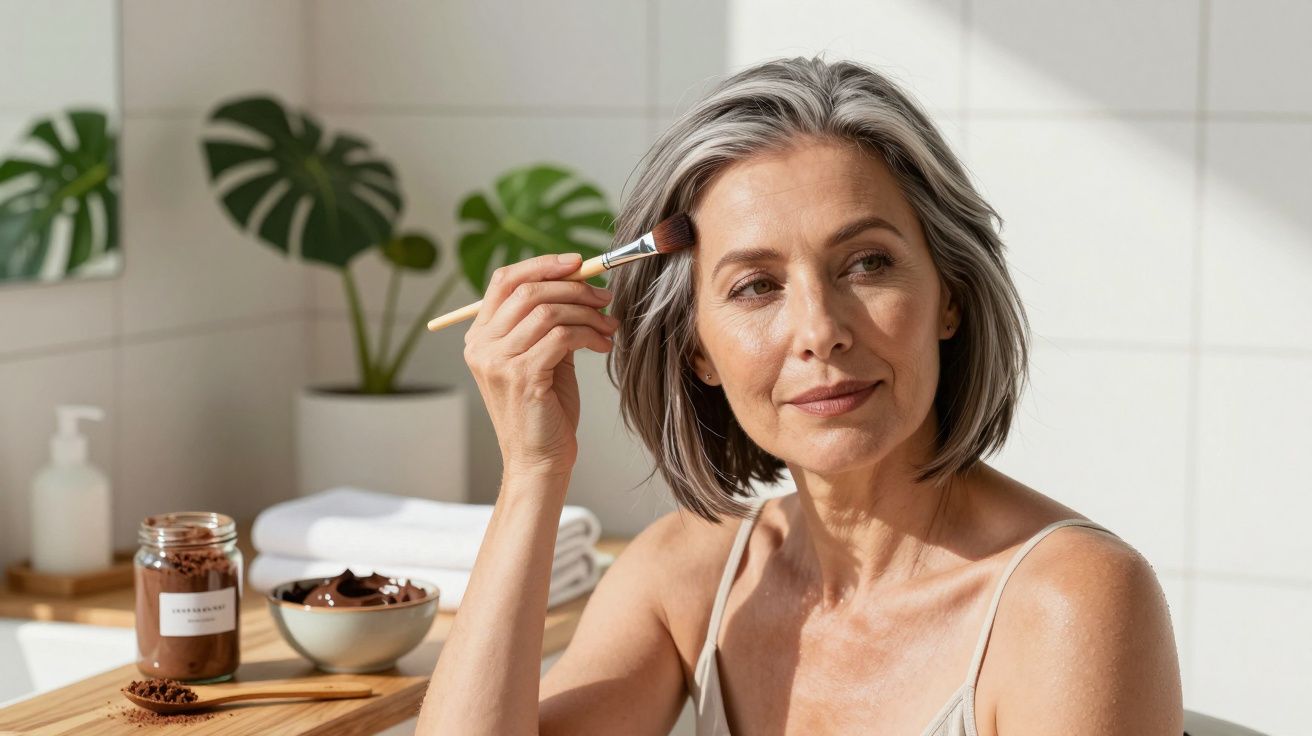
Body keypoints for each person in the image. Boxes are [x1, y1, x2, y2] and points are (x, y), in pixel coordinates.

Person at [417, 55, 1183, 735]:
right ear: (698, 352)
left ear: (949, 295)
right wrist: (531, 471)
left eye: (866, 264)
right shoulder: (689, 575)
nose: (819, 330)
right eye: (755, 286)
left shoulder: (1070, 603)